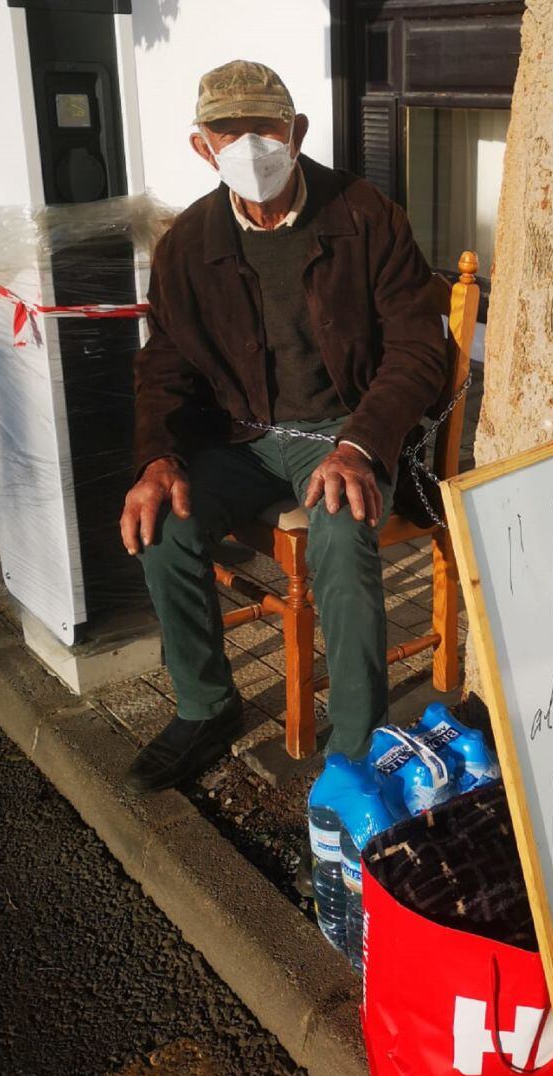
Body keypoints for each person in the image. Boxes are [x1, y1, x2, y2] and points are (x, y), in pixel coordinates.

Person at [119, 60, 446, 795]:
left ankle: (359, 748)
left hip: (344, 429)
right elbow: (163, 363)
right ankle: (207, 707)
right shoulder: (186, 244)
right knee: (164, 528)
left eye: (263, 128)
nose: (248, 146)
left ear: (296, 132)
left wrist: (361, 444)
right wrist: (158, 459)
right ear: (203, 146)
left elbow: (418, 347)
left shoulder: (366, 215)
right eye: (226, 132)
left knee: (340, 525)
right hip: (238, 435)